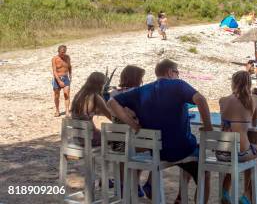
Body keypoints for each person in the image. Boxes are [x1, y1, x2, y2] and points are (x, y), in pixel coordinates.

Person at [108, 59, 213, 203]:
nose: (178, 75)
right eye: (177, 72)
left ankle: (180, 198)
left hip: (157, 151)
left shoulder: (141, 91)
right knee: (204, 171)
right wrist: (208, 128)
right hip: (181, 150)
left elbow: (111, 102)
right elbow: (201, 99)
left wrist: (132, 124)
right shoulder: (178, 85)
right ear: (170, 72)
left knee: (192, 157)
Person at [218, 71, 257, 204]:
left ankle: (224, 192)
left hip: (221, 152)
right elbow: (255, 123)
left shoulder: (222, 100)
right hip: (241, 152)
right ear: (249, 84)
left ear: (233, 83)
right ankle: (246, 195)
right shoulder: (254, 99)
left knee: (232, 157)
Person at [109, 65, 146, 197]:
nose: (142, 81)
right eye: (141, 78)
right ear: (136, 79)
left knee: (128, 143)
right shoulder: (138, 93)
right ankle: (135, 183)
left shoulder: (113, 93)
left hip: (116, 142)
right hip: (132, 142)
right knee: (153, 146)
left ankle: (123, 183)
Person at [70, 72, 113, 146]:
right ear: (100, 84)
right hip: (89, 138)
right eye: (103, 84)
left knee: (100, 132)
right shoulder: (95, 97)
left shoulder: (79, 95)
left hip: (77, 137)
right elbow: (111, 116)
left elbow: (86, 113)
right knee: (118, 138)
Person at [52, 45, 72, 117]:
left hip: (66, 78)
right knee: (56, 96)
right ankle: (57, 111)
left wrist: (70, 75)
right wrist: (59, 81)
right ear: (58, 51)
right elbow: (54, 71)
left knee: (66, 94)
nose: (63, 54)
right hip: (57, 78)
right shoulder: (54, 59)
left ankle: (67, 111)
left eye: (64, 52)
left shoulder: (67, 57)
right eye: (61, 52)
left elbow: (69, 66)